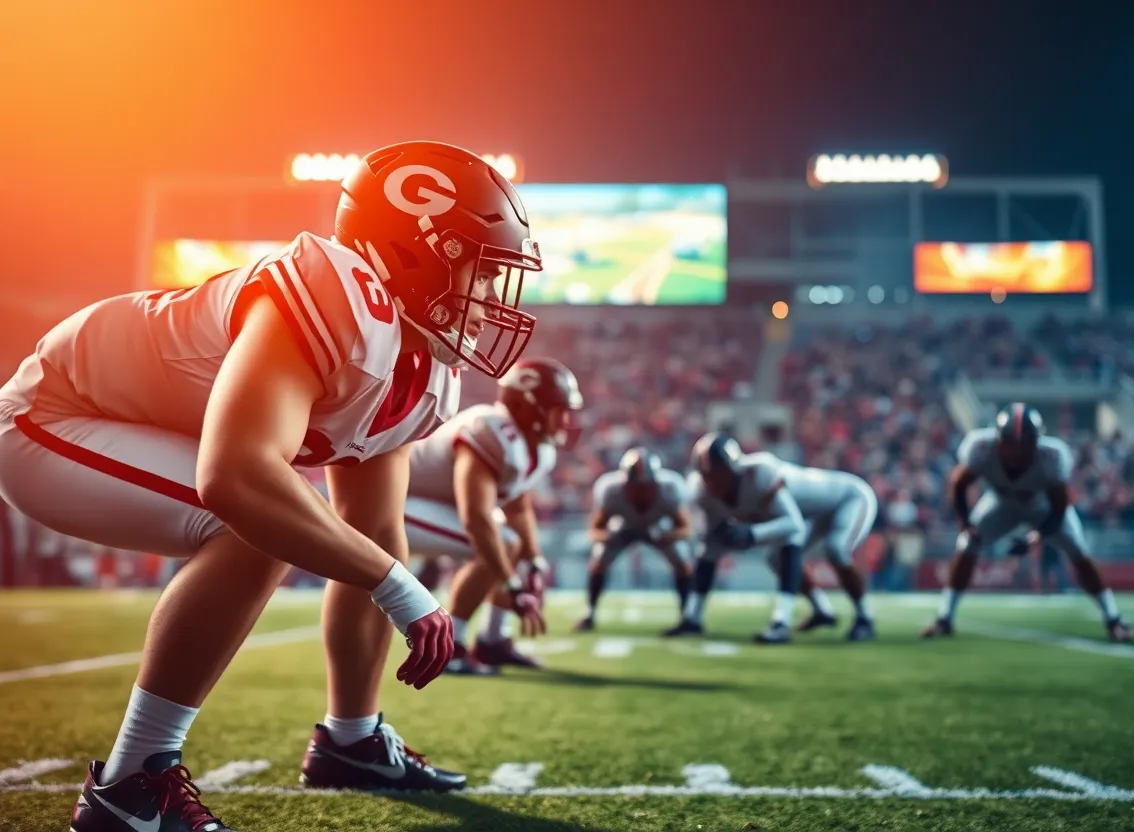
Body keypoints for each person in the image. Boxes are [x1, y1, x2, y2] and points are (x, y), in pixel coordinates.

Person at [0, 141, 543, 830]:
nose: (490, 296)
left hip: (138, 426)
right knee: (257, 522)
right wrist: (402, 590)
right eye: (479, 269)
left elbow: (372, 536)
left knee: (336, 535)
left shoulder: (416, 367)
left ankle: (351, 742)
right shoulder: (329, 295)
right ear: (417, 252)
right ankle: (130, 786)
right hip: (54, 415)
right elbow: (238, 479)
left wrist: (390, 577)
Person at [402, 357, 583, 674]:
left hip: (435, 506)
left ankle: (493, 640)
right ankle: (451, 645)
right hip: (398, 502)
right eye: (558, 408)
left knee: (519, 548)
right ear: (529, 406)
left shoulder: (536, 448)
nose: (565, 419)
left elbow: (516, 507)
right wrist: (512, 585)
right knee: (502, 542)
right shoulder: (489, 429)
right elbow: (477, 518)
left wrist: (535, 563)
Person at [922, 403, 1133, 642]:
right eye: (1011, 445)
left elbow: (1059, 508)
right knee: (966, 545)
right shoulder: (979, 447)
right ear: (999, 441)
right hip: (1000, 503)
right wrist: (965, 523)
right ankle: (945, 617)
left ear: (1036, 443)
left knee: (1078, 550)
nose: (1017, 454)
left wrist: (1036, 538)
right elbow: (958, 484)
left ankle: (1113, 618)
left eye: (1024, 447)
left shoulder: (1053, 456)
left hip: (1042, 506)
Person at [667, 433, 878, 644]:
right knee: (771, 558)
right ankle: (822, 610)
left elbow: (793, 524)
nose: (713, 481)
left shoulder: (761, 474)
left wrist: (752, 534)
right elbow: (709, 546)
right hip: (810, 513)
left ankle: (863, 617)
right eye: (707, 475)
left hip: (850, 497)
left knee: (835, 548)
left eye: (719, 473)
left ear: (734, 469)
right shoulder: (701, 491)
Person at [575, 447, 694, 633]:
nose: (640, 492)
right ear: (624, 484)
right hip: (623, 527)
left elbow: (685, 529)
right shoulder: (610, 490)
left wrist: (668, 536)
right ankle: (590, 612)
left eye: (646, 487)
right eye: (635, 487)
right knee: (599, 558)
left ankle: (687, 615)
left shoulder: (670, 489)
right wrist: (608, 538)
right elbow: (594, 530)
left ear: (656, 483)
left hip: (658, 528)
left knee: (681, 558)